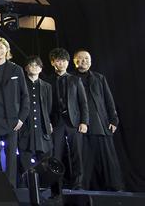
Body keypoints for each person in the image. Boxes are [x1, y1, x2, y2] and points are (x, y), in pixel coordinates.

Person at [73, 50, 122, 191]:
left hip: (101, 122)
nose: (84, 61)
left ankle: (114, 186)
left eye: (87, 58)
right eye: (80, 59)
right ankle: (82, 186)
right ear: (75, 61)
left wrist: (114, 119)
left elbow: (108, 99)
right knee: (84, 158)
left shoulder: (99, 78)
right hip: (81, 124)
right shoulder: (71, 78)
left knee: (108, 158)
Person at [0, 36, 28, 187]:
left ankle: (11, 187)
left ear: (7, 50)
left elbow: (25, 96)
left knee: (11, 157)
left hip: (12, 120)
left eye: (2, 47)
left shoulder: (16, 69)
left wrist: (21, 119)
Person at [47, 47, 88, 189]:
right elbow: (46, 104)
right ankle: (56, 186)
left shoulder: (75, 80)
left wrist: (84, 122)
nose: (62, 64)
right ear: (53, 63)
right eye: (58, 61)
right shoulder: (48, 80)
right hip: (56, 121)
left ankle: (78, 185)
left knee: (77, 155)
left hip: (74, 122)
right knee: (56, 155)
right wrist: (48, 122)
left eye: (64, 61)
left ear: (68, 62)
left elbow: (83, 103)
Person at [18, 56, 52, 182]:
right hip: (26, 128)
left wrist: (49, 123)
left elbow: (48, 107)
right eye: (31, 65)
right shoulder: (21, 84)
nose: (34, 67)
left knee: (45, 162)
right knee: (24, 161)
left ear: (41, 68)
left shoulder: (47, 86)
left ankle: (44, 188)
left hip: (42, 129)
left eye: (37, 65)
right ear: (26, 68)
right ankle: (26, 187)